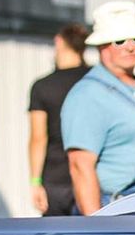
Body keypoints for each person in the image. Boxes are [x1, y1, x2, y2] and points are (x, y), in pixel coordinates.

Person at [62, 1, 135, 215]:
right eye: (119, 41)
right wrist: (98, 227)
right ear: (101, 45)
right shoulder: (87, 95)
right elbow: (80, 167)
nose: (130, 46)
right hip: (126, 211)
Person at [27, 24, 90, 216]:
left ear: (59, 42)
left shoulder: (43, 86)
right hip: (90, 174)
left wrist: (35, 182)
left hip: (55, 180)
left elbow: (38, 138)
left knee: (55, 233)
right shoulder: (96, 81)